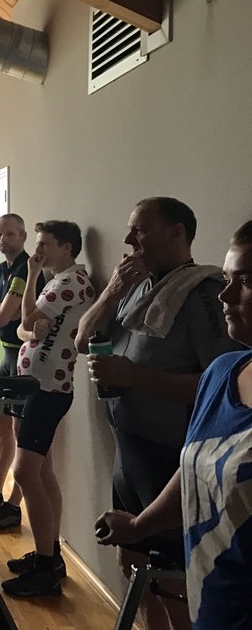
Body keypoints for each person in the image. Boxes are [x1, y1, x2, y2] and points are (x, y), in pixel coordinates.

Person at [78, 197, 239, 630]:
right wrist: (112, 290)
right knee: (133, 569)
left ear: (177, 232)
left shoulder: (204, 293)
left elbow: (220, 385)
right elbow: (81, 340)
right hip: (127, 455)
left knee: (171, 584)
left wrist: (134, 377)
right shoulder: (136, 287)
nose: (129, 240)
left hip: (170, 461)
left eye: (140, 230)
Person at [0, 221, 92, 597]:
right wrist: (28, 328)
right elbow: (24, 331)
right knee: (43, 471)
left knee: (24, 472)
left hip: (48, 389)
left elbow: (25, 322)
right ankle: (50, 555)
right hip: (39, 386)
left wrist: (31, 276)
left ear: (66, 247)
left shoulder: (69, 283)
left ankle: (45, 567)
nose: (38, 251)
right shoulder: (58, 281)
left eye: (44, 244)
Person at [0, 213, 46, 529]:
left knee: (20, 434)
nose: (3, 240)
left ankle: (14, 507)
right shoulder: (1, 269)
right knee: (1, 428)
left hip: (24, 359)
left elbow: (2, 317)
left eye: (10, 234)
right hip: (6, 356)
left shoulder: (24, 270)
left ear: (23, 236)